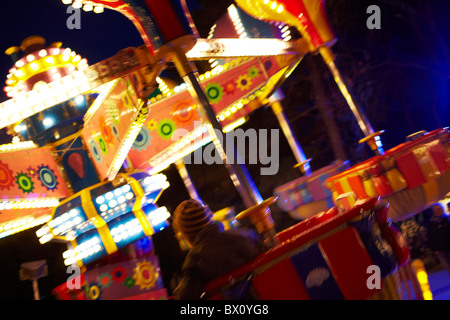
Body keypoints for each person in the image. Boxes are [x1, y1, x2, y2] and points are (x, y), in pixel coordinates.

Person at [172, 199, 267, 299]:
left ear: (188, 236)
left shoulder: (195, 261)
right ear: (210, 219)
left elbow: (186, 296)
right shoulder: (245, 236)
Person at [425, 203, 450, 275]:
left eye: (439, 209)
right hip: (440, 250)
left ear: (442, 209)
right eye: (435, 209)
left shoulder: (447, 219)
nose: (437, 211)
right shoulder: (431, 223)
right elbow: (430, 237)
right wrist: (434, 249)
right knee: (448, 267)